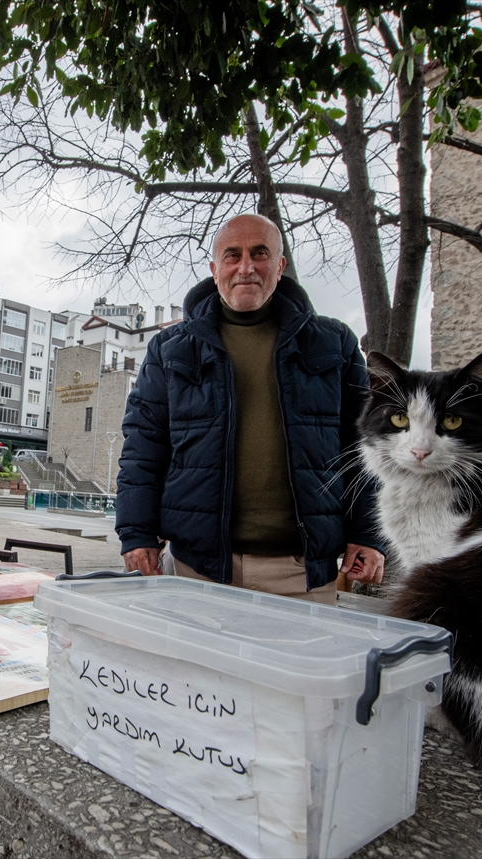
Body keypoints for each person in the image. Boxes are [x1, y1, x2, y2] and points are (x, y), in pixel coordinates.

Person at [116, 213, 385, 603]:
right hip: (198, 569)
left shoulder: (334, 343)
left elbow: (366, 447)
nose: (246, 267)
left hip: (302, 574)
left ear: (280, 265)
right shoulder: (170, 349)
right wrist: (137, 533)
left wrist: (369, 533)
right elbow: (144, 446)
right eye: (233, 255)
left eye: (260, 253)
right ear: (215, 269)